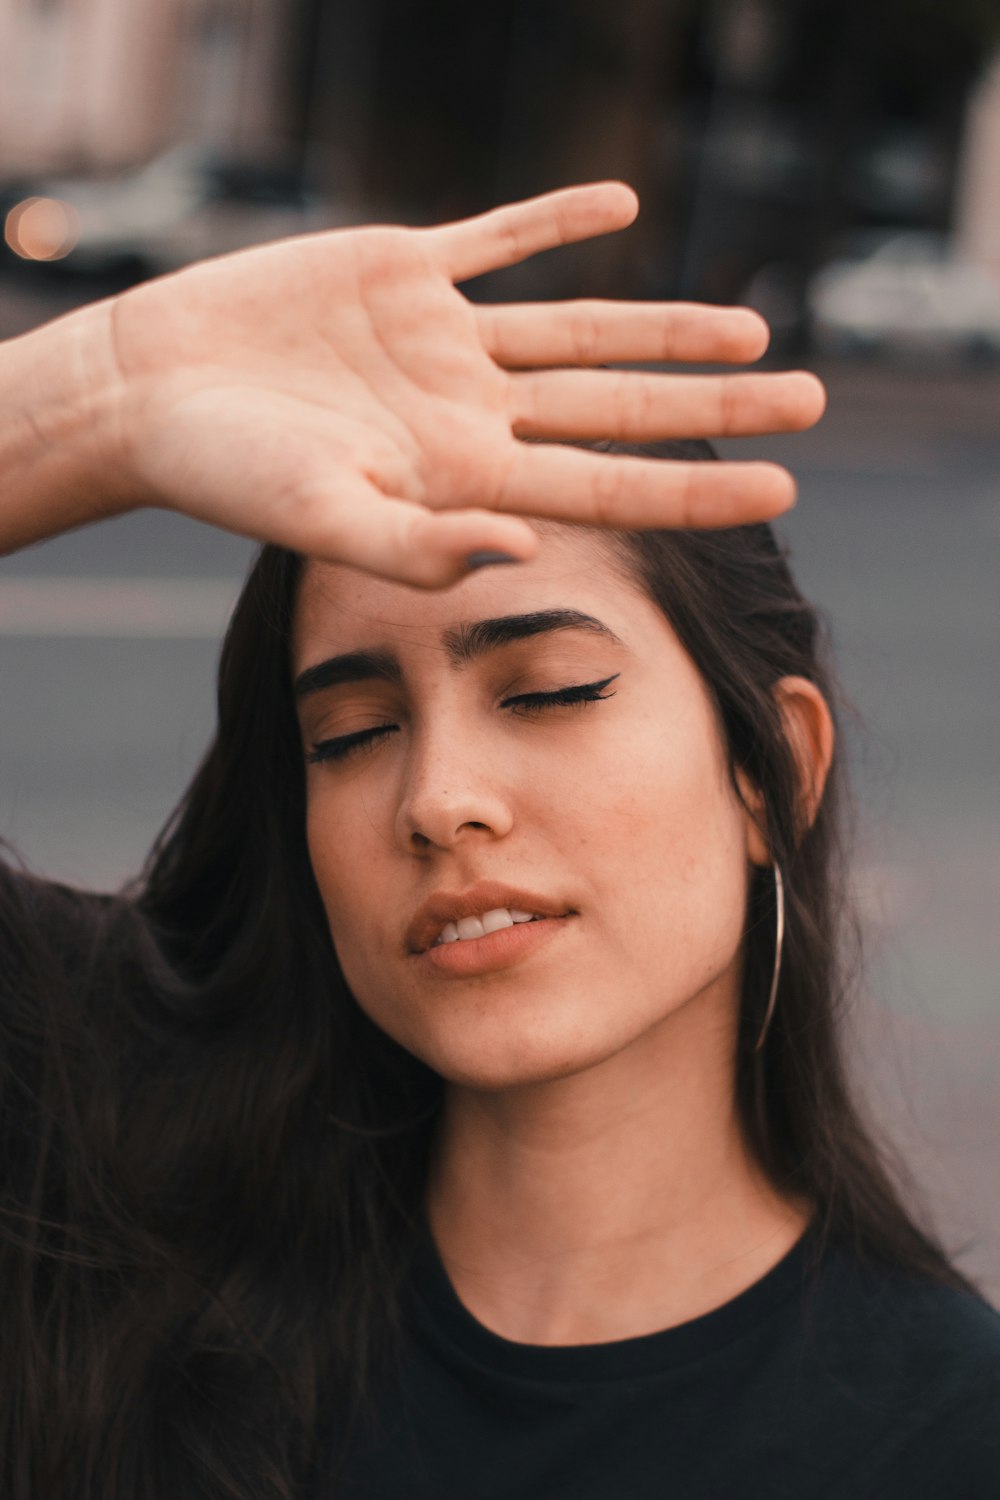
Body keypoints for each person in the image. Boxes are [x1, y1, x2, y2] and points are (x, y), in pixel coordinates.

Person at [0, 183, 996, 1499]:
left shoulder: (948, 1435)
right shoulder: (100, 1203)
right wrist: (89, 403)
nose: (437, 797)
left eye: (549, 691)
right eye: (351, 733)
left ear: (778, 771)